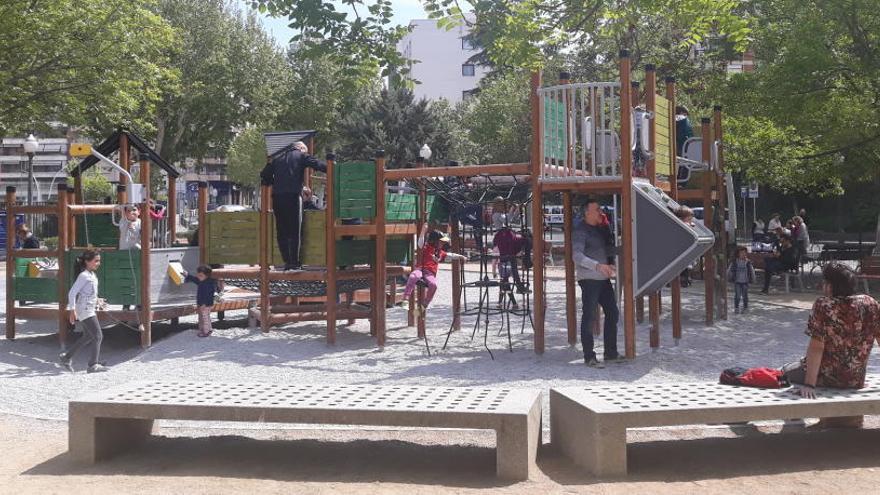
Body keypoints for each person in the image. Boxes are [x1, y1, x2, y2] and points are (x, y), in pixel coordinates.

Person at [785, 264, 880, 428]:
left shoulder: (824, 306)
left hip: (826, 378)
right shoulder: (870, 303)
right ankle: (846, 419)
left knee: (785, 373)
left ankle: (794, 418)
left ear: (830, 285)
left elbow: (816, 348)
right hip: (855, 379)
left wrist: (809, 384)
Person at [260, 141, 327, 270]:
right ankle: (294, 262)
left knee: (282, 230)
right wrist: (332, 167)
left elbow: (264, 175)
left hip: (277, 197)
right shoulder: (301, 155)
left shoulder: (277, 159)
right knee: (295, 230)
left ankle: (286, 261)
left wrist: (276, 182)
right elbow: (318, 165)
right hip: (293, 196)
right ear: (301, 149)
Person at [572, 198, 623, 368]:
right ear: (587, 212)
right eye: (597, 209)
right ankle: (589, 357)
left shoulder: (601, 230)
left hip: (603, 279)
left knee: (613, 313)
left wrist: (612, 262)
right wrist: (598, 266)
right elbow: (577, 256)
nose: (601, 212)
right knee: (589, 316)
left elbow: (607, 250)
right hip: (589, 279)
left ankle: (610, 352)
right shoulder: (580, 231)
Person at [59, 250, 108, 373]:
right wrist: (72, 310)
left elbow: (89, 292)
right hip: (85, 310)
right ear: (87, 261)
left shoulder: (92, 275)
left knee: (87, 336)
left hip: (88, 308)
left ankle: (66, 357)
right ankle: (93, 365)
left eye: (99, 261)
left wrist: (98, 300)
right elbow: (72, 293)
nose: (98, 263)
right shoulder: (84, 276)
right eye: (96, 261)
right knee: (98, 336)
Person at [402, 225, 466, 316]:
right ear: (434, 241)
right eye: (440, 242)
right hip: (421, 269)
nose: (442, 244)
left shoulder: (439, 252)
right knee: (413, 276)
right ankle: (405, 299)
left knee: (434, 285)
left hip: (430, 274)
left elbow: (450, 255)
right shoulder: (426, 247)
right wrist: (423, 230)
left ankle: (423, 306)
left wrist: (460, 256)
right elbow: (420, 242)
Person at [493, 215, 528, 308]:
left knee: (504, 283)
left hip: (503, 262)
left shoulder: (498, 236)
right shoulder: (513, 236)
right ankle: (516, 294)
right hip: (510, 261)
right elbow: (521, 243)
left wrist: (493, 269)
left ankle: (503, 303)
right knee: (508, 282)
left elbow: (495, 253)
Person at [184, 265, 224, 338]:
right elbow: (194, 279)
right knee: (207, 317)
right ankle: (209, 329)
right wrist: (187, 275)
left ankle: (205, 332)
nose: (199, 277)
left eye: (201, 275)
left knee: (204, 317)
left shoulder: (208, 284)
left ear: (207, 276)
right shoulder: (201, 280)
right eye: (198, 275)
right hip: (205, 303)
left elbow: (207, 295)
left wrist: (203, 304)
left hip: (206, 304)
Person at [728, 246, 756, 314]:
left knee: (745, 296)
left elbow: (752, 271)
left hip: (745, 282)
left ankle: (745, 307)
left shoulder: (748, 262)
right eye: (741, 253)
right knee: (737, 295)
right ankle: (736, 307)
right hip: (737, 281)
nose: (743, 254)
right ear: (738, 254)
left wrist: (753, 278)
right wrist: (729, 277)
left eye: (744, 253)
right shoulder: (735, 262)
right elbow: (729, 270)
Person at [675, 206, 695, 286]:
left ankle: (686, 279)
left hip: (687, 253)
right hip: (681, 252)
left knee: (688, 266)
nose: (690, 221)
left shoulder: (689, 224)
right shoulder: (682, 225)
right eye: (689, 219)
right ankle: (684, 279)